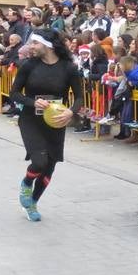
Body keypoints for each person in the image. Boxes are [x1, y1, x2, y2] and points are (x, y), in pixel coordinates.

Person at [7, 30, 85, 222]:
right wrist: (34, 102)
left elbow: (80, 97)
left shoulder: (68, 68)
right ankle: (27, 182)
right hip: (31, 119)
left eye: (35, 43)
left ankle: (33, 202)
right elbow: (14, 94)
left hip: (56, 121)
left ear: (48, 45)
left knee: (49, 167)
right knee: (39, 162)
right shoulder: (28, 65)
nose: (31, 46)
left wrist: (71, 112)